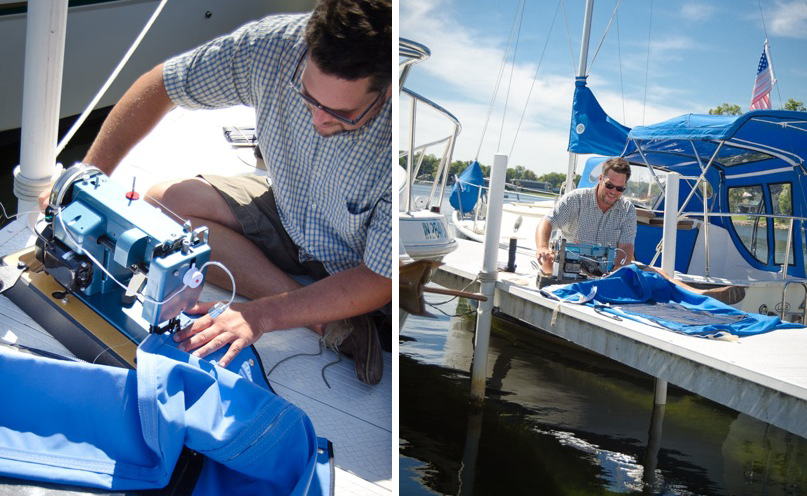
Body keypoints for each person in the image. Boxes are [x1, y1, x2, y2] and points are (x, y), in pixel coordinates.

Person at [51, 0, 392, 384]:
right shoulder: (275, 47)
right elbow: (161, 85)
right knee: (166, 202)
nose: (318, 119)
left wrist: (259, 315)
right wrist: (87, 183)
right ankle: (329, 318)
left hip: (355, 260)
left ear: (387, 91)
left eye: (342, 115)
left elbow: (380, 278)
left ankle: (332, 312)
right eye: (307, 97)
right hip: (291, 208)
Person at [535, 157, 745, 304]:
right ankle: (548, 284)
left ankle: (701, 295)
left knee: (659, 273)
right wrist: (543, 247)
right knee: (548, 263)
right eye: (609, 186)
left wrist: (614, 272)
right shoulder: (576, 199)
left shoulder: (627, 210)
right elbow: (547, 222)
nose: (613, 192)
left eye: (620, 189)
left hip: (608, 269)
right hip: (570, 266)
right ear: (600, 179)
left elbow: (626, 250)